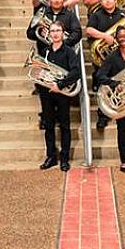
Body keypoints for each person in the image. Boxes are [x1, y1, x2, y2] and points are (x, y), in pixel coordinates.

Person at [26, 0, 83, 126]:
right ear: (49, 0)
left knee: (62, 92)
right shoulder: (42, 13)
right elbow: (29, 33)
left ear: (63, 0)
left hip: (64, 57)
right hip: (46, 56)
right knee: (46, 92)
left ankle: (60, 117)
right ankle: (47, 117)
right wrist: (38, 30)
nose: (57, 0)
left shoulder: (69, 16)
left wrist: (61, 42)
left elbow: (77, 33)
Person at [95, 26, 125, 172]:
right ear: (116, 39)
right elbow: (100, 75)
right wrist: (115, 84)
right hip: (120, 99)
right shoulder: (111, 57)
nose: (124, 39)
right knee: (122, 129)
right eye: (120, 36)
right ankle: (124, 160)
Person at [36, 21, 81, 172]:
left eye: (58, 31)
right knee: (48, 125)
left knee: (64, 126)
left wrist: (60, 85)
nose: (55, 33)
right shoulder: (45, 51)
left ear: (63, 33)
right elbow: (41, 69)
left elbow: (75, 72)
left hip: (62, 93)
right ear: (49, 34)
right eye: (53, 31)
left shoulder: (69, 51)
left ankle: (65, 158)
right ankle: (51, 157)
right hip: (47, 92)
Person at [85, 0, 125, 129]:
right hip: (102, 58)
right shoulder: (96, 15)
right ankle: (102, 116)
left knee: (120, 84)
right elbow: (89, 30)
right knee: (104, 87)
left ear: (115, 0)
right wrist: (105, 36)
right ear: (101, 1)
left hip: (120, 57)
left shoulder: (123, 14)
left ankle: (120, 110)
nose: (107, 1)